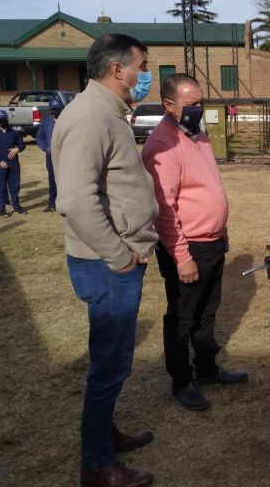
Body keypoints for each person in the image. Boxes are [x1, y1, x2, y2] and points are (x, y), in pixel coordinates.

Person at [51, 34, 158, 487]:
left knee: (113, 362)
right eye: (143, 66)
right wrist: (119, 257)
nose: (146, 75)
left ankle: (105, 437)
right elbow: (75, 200)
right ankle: (96, 468)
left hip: (115, 259)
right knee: (110, 365)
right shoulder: (90, 116)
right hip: (108, 263)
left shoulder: (107, 112)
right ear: (118, 70)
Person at [142, 73, 247, 412]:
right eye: (192, 104)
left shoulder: (198, 134)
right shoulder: (162, 145)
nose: (199, 109)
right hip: (188, 248)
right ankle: (181, 380)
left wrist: (222, 227)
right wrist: (181, 256)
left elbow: (207, 184)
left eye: (201, 102)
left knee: (207, 313)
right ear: (169, 105)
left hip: (213, 242)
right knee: (182, 317)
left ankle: (205, 369)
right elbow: (164, 208)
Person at [0, 109, 27, 218]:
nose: (3, 121)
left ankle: (17, 206)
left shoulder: (13, 132)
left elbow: (22, 144)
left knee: (15, 186)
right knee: (1, 187)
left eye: (4, 119)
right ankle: (2, 209)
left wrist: (17, 149)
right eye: (0, 120)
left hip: (13, 164)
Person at [36, 97, 63, 212]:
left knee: (67, 179)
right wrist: (45, 148)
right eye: (53, 109)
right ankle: (52, 203)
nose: (55, 111)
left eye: (58, 109)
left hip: (66, 156)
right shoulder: (46, 122)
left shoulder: (68, 120)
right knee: (52, 179)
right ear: (50, 110)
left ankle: (67, 203)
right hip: (51, 156)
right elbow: (39, 137)